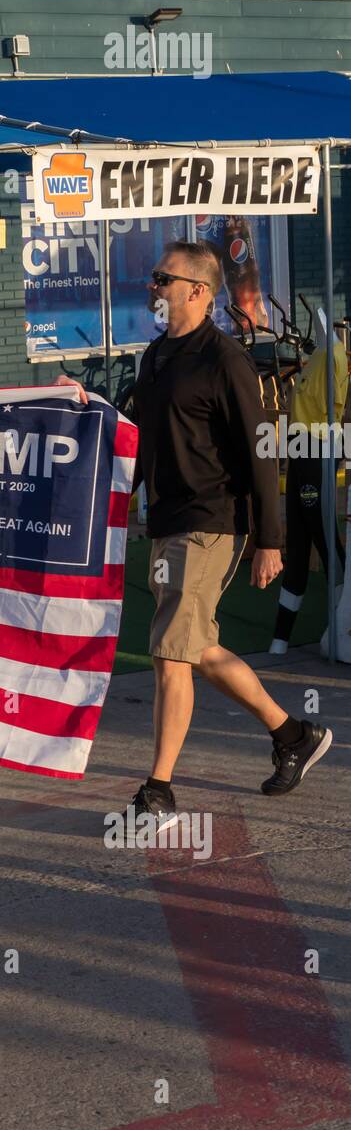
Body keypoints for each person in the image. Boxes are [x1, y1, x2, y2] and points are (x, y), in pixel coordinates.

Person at [124, 240, 331, 828]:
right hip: (167, 520)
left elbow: (262, 452)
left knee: (169, 654)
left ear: (198, 291)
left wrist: (272, 538)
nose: (154, 289)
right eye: (154, 278)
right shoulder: (156, 355)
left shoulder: (225, 359)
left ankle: (158, 791)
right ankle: (294, 734)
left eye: (163, 279)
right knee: (195, 648)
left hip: (212, 521)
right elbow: (142, 436)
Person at [270, 333, 349, 654]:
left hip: (318, 451)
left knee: (325, 539)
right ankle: (280, 638)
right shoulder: (319, 354)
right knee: (299, 545)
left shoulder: (334, 356)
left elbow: (336, 407)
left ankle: (341, 627)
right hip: (300, 453)